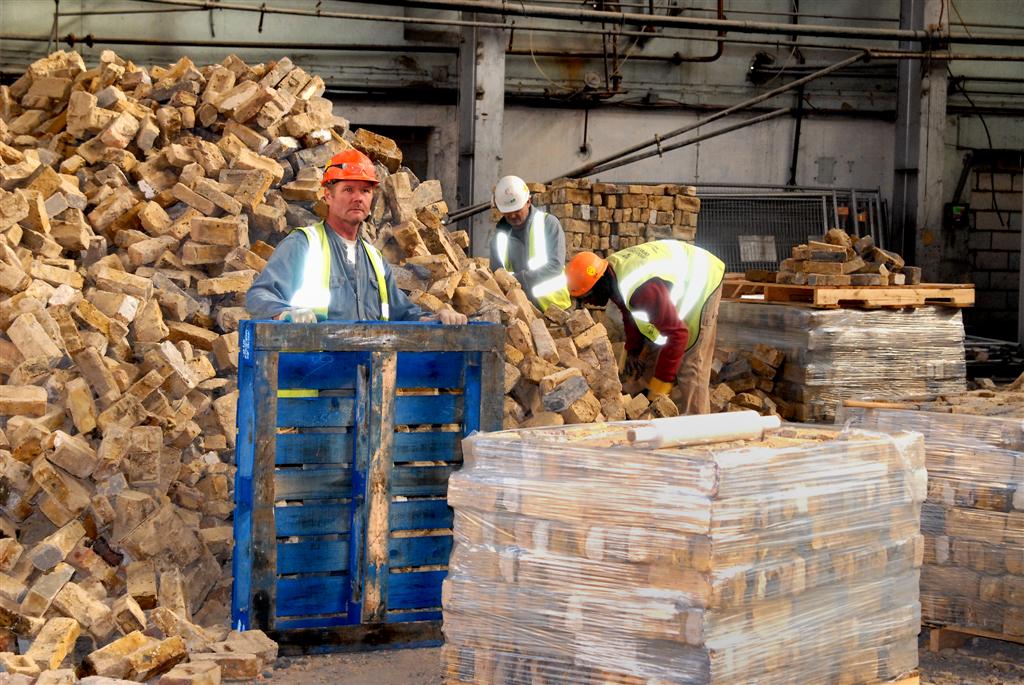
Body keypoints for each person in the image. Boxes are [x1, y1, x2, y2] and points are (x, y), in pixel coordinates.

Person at [246, 149, 467, 326]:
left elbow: (402, 314)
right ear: (328, 196)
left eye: (365, 191)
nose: (358, 198)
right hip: (315, 376)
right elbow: (259, 295)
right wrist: (285, 314)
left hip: (368, 377)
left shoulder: (375, 260)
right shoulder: (303, 245)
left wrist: (435, 318)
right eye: (348, 189)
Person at [565, 240, 725, 414]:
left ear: (597, 284)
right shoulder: (610, 273)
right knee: (653, 347)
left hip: (702, 277)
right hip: (669, 282)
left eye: (587, 296)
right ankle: (639, 406)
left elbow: (678, 335)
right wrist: (634, 349)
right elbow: (629, 312)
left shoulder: (641, 290)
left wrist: (660, 388)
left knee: (691, 362)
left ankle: (697, 427)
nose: (588, 303)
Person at [489, 175, 572, 313]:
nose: (513, 216)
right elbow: (497, 277)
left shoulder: (548, 224)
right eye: (508, 213)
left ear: (528, 201)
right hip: (520, 312)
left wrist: (517, 280)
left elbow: (555, 266)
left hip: (555, 309)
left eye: (517, 210)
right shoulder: (499, 239)